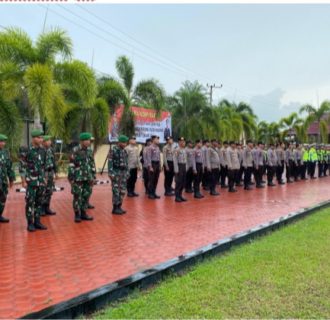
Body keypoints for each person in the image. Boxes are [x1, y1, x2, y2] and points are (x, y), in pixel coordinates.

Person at [20, 129, 48, 232]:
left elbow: (44, 166)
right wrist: (23, 181)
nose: (41, 139)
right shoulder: (26, 150)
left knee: (39, 202)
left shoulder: (43, 150)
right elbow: (22, 166)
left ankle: (37, 221)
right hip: (31, 182)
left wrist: (45, 178)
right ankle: (30, 223)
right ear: (33, 138)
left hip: (40, 181)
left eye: (41, 137)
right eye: (38, 137)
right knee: (30, 202)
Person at [68, 132, 95, 223]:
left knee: (86, 196)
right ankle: (77, 214)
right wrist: (71, 178)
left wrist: (93, 176)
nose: (88, 142)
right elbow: (71, 165)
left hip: (88, 177)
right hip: (78, 178)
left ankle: (84, 213)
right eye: (86, 140)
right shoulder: (75, 150)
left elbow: (92, 164)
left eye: (89, 140)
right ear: (82, 141)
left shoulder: (89, 151)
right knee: (77, 196)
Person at [108, 135, 129, 215]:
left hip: (123, 173)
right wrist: (111, 173)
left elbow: (126, 163)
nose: (125, 144)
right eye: (123, 142)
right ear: (119, 142)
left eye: (125, 143)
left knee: (122, 191)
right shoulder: (113, 150)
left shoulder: (124, 151)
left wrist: (127, 172)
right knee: (116, 191)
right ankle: (115, 207)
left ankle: (119, 206)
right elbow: (110, 162)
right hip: (116, 172)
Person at [0, 134, 15, 223]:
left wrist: (11, 178)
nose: (3, 143)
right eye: (1, 141)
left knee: (3, 198)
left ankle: (0, 215)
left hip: (3, 181)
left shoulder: (5, 152)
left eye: (4, 142)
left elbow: (9, 166)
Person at [41, 135, 57, 216]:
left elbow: (54, 162)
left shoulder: (51, 150)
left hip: (51, 172)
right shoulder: (41, 151)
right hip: (44, 173)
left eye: (50, 140)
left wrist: (55, 173)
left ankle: (47, 208)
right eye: (48, 140)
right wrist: (43, 176)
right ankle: (42, 209)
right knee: (43, 191)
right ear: (43, 142)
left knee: (49, 191)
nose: (50, 142)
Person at [146, 135, 161, 199]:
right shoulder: (150, 147)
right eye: (156, 139)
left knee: (156, 179)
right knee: (151, 180)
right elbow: (148, 157)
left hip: (157, 164)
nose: (158, 140)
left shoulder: (157, 147)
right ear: (153, 140)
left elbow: (159, 157)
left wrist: (160, 165)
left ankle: (154, 192)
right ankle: (150, 193)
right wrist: (150, 166)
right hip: (152, 164)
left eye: (158, 139)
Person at [173, 137, 187, 202]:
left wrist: (186, 167)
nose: (183, 142)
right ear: (179, 142)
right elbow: (175, 160)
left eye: (184, 141)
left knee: (183, 182)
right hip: (179, 166)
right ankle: (177, 196)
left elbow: (186, 160)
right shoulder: (176, 150)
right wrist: (176, 169)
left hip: (184, 166)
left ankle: (180, 195)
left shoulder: (184, 150)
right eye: (181, 141)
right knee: (178, 182)